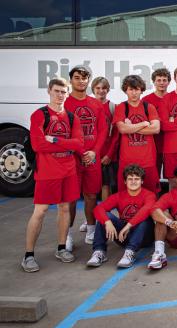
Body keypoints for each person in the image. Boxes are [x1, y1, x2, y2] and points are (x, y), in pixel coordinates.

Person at [22, 78, 84, 272]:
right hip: (48, 172)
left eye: (63, 92)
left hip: (68, 170)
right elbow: (38, 145)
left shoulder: (72, 117)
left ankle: (61, 248)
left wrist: (55, 139)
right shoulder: (39, 115)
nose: (60, 95)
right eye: (57, 91)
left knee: (65, 209)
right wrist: (66, 143)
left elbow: (79, 144)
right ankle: (28, 255)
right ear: (49, 91)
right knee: (40, 212)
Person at [64, 66, 107, 246]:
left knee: (90, 196)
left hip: (92, 158)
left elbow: (103, 130)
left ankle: (91, 229)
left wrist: (94, 152)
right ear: (71, 80)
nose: (81, 81)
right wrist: (80, 152)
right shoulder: (65, 103)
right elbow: (63, 134)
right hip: (72, 158)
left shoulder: (96, 103)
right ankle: (66, 235)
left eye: (84, 78)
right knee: (71, 198)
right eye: (77, 77)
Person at [87, 164, 156, 268]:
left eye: (137, 179)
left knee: (145, 218)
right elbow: (98, 209)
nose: (133, 181)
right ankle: (99, 252)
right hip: (123, 236)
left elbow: (146, 210)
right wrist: (107, 222)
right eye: (130, 179)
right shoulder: (119, 196)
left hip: (144, 237)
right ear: (125, 181)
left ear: (142, 181)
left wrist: (128, 225)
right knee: (105, 216)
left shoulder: (149, 195)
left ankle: (130, 253)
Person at [113, 75, 161, 193]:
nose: (134, 93)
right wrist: (144, 123)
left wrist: (131, 127)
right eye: (131, 89)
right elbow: (122, 129)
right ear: (126, 90)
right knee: (125, 195)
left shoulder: (148, 107)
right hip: (127, 161)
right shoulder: (121, 107)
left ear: (141, 90)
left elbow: (155, 129)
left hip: (147, 160)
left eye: (137, 89)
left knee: (151, 195)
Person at [91, 76, 119, 201]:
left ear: (108, 90)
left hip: (107, 154)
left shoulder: (113, 107)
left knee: (106, 185)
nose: (101, 91)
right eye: (98, 88)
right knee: (90, 189)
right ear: (93, 89)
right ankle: (90, 219)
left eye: (104, 88)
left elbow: (116, 134)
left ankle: (106, 217)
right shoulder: (88, 106)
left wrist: (109, 154)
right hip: (92, 153)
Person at [142, 68, 171, 178]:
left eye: (164, 80)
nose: (162, 83)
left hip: (170, 143)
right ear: (153, 81)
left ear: (169, 82)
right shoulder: (146, 100)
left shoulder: (173, 98)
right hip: (152, 143)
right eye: (159, 80)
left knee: (173, 177)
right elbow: (144, 122)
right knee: (153, 176)